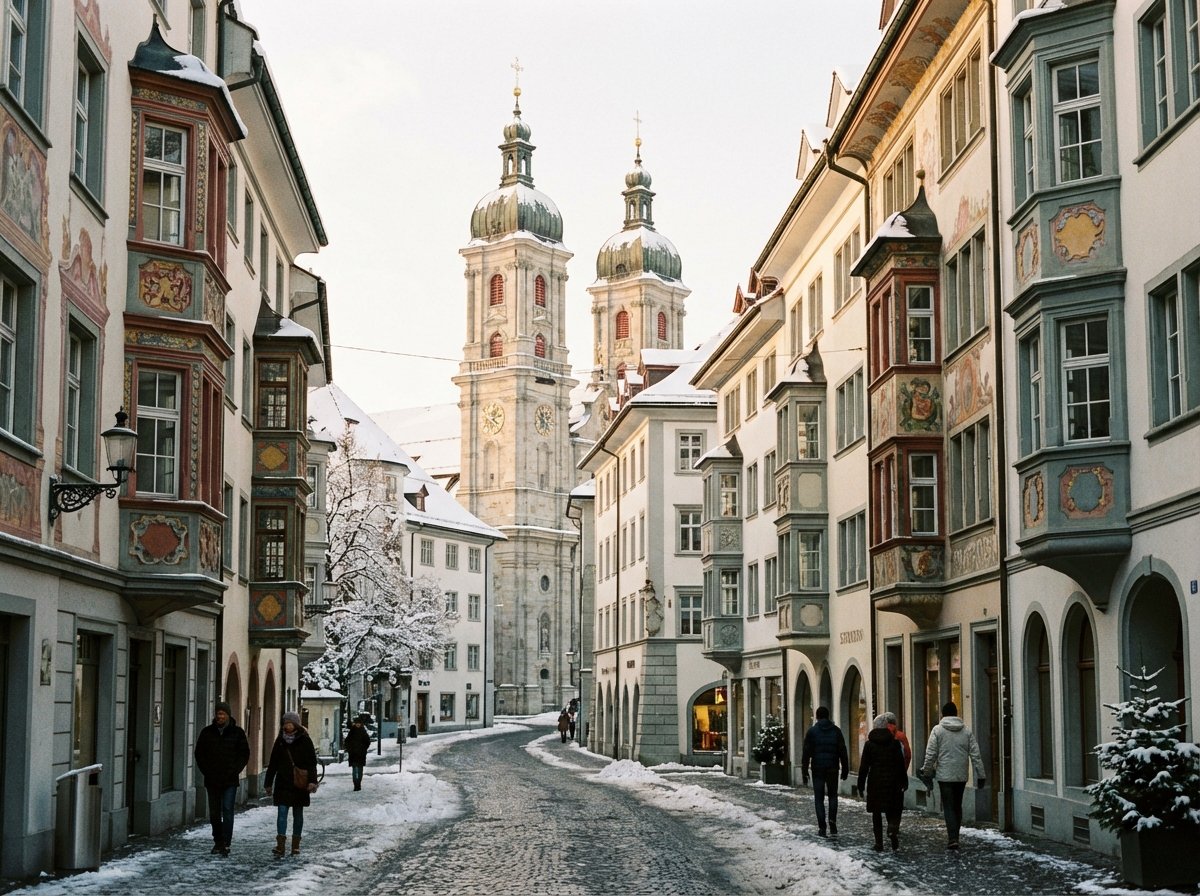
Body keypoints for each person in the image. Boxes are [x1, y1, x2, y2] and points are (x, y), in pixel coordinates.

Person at [918, 701, 986, 850]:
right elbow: (975, 754)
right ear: (956, 714)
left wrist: (927, 772)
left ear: (943, 714)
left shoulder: (937, 730)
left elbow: (931, 754)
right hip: (960, 776)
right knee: (957, 805)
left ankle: (952, 838)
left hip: (944, 776)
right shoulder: (966, 731)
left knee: (948, 806)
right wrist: (981, 775)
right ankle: (956, 835)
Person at [193, 700, 249, 856]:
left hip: (230, 779)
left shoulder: (237, 733)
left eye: (222, 714)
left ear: (228, 715)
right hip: (212, 779)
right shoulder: (207, 732)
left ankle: (226, 842)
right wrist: (207, 770)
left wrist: (235, 770)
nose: (220, 716)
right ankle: (217, 841)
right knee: (214, 812)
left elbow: (244, 754)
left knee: (227, 810)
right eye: (218, 713)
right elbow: (199, 753)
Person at [265, 711, 320, 857]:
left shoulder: (305, 740)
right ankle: (280, 845)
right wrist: (268, 783)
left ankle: (295, 845)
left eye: (289, 723)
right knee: (282, 812)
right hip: (283, 783)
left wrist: (312, 782)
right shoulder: (280, 741)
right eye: (285, 723)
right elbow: (273, 763)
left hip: (299, 784)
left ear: (296, 724)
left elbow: (311, 763)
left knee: (298, 814)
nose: (287, 726)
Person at [858, 714, 909, 851]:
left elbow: (864, 766)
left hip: (875, 782)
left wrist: (860, 784)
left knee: (876, 813)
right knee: (892, 808)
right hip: (893, 781)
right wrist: (904, 781)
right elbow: (900, 763)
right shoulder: (894, 743)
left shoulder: (869, 745)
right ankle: (892, 828)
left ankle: (879, 843)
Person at [800, 706, 849, 837]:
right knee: (833, 796)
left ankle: (822, 827)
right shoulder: (836, 731)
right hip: (833, 767)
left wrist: (804, 770)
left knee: (819, 798)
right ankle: (832, 821)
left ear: (816, 716)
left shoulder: (812, 732)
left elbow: (806, 753)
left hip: (818, 769)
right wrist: (845, 768)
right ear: (828, 716)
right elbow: (843, 751)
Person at [342, 715, 372, 792]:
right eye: (356, 723)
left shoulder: (363, 731)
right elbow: (347, 742)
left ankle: (358, 783)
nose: (358, 724)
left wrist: (364, 748)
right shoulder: (352, 732)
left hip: (361, 754)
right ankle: (356, 784)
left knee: (360, 770)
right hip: (353, 754)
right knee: (355, 770)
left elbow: (367, 742)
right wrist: (349, 749)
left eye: (359, 723)